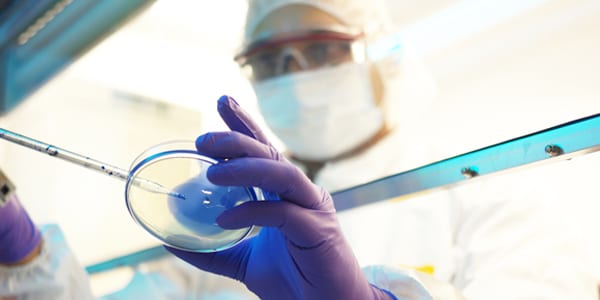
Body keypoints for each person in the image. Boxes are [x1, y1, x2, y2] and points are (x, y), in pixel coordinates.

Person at [1, 0, 598, 299]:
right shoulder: (225, 210)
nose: (292, 75)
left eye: (319, 50)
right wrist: (23, 251)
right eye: (268, 61)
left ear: (383, 58)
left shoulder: (490, 184)